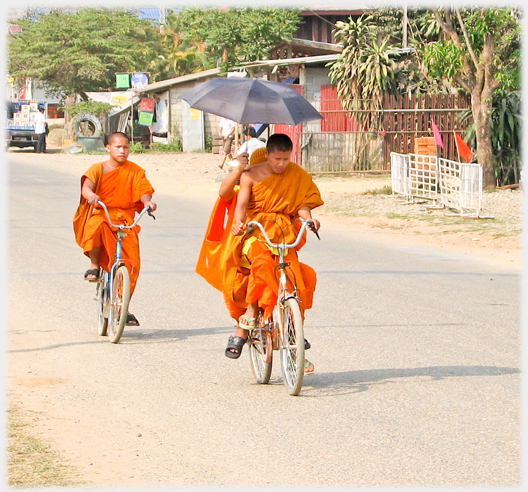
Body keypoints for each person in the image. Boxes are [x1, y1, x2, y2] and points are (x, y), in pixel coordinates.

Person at [196, 134, 323, 373]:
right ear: (267, 155)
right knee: (262, 263)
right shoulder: (250, 175)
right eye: (277, 158)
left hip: (283, 232)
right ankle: (252, 310)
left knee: (297, 277)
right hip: (256, 232)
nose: (281, 164)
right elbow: (240, 206)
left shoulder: (297, 175)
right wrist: (238, 223)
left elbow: (302, 205)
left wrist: (309, 220)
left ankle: (294, 339)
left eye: (286, 158)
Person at [73, 132, 157, 327]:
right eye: (118, 147)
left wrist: (148, 202)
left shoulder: (135, 171)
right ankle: (94, 265)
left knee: (132, 261)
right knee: (95, 226)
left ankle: (122, 305)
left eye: (126, 147)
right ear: (108, 148)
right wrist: (91, 196)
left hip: (125, 217)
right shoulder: (98, 168)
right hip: (103, 212)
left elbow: (143, 190)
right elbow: (86, 187)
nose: (122, 150)